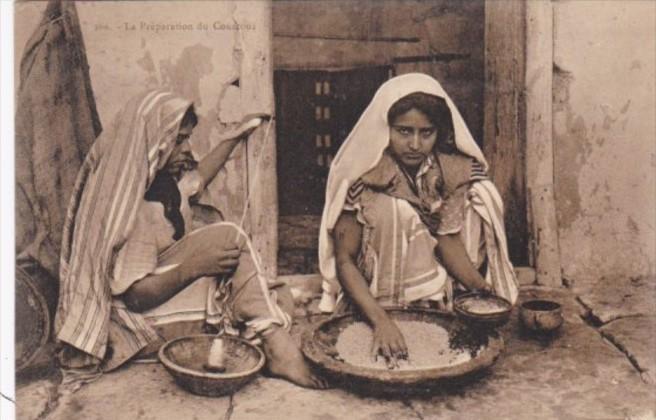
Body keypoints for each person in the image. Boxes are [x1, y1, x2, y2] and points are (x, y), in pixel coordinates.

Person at [55, 90, 326, 388]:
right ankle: (277, 348)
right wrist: (194, 267)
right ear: (153, 144)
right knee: (235, 252)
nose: (186, 150)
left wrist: (235, 136)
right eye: (178, 140)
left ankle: (264, 334)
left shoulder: (163, 184)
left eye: (186, 139)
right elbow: (135, 297)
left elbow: (198, 178)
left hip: (162, 301)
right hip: (138, 326)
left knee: (270, 292)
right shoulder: (135, 208)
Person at [317, 73, 518, 366]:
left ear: (439, 132)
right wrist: (381, 322)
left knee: (483, 191)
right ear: (386, 130)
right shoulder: (363, 177)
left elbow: (446, 238)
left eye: (426, 133)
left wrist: (481, 290)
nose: (414, 144)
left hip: (425, 283)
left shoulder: (447, 171)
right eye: (403, 131)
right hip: (373, 289)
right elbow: (345, 260)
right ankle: (383, 313)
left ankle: (426, 304)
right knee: (396, 210)